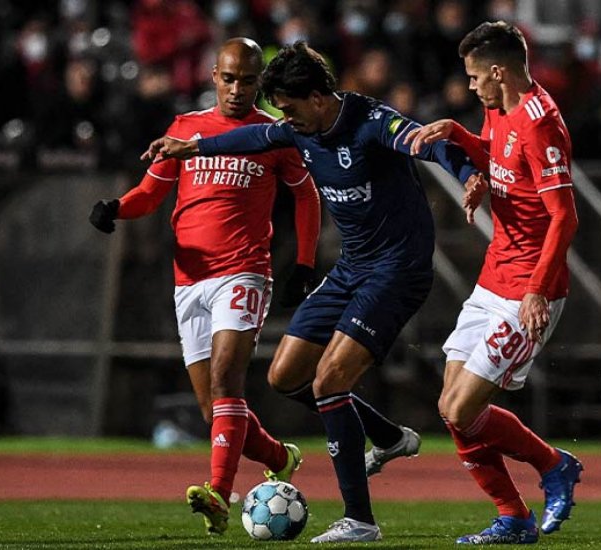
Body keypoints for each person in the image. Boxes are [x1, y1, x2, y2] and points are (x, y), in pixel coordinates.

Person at [143, 41, 484, 543]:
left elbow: (430, 142)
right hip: (352, 268)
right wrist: (189, 147)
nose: (287, 118)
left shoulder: (371, 122)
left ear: (321, 98)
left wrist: (469, 174)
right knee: (286, 376)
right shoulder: (297, 128)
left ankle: (360, 521)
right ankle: (388, 438)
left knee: (328, 383)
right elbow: (255, 137)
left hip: (396, 270)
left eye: (293, 108)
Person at [90, 37, 320, 536]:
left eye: (249, 80)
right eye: (230, 78)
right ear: (213, 76)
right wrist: (116, 208)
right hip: (188, 279)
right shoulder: (185, 129)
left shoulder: (275, 134)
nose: (238, 89)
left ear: (262, 82)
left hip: (244, 270)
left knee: (224, 384)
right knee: (210, 407)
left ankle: (218, 493)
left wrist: (303, 263)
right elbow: (151, 193)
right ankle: (281, 456)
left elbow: (307, 197)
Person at [404, 21, 582, 544]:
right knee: (450, 408)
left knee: (463, 408)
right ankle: (513, 517)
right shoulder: (498, 108)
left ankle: (554, 466)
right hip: (492, 277)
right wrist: (461, 142)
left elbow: (564, 217)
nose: (471, 86)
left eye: (476, 77)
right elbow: (501, 157)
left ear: (499, 73)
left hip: (530, 287)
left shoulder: (542, 123)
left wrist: (536, 290)